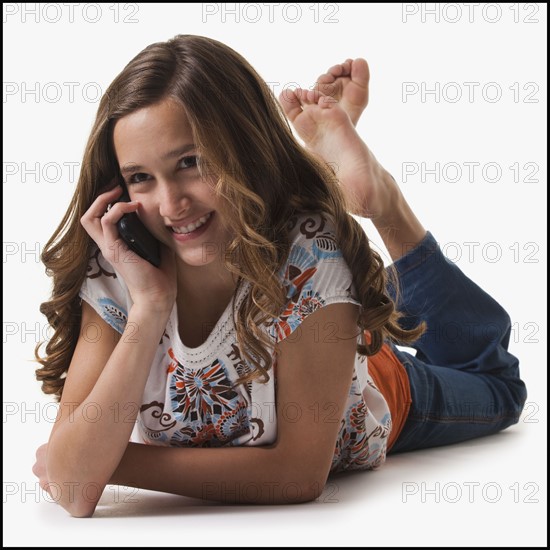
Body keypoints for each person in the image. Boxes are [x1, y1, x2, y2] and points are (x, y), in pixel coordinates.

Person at [32, 35, 527, 517]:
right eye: (141, 177)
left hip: (369, 383)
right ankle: (328, 192)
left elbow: (297, 474)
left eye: (191, 162)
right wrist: (150, 306)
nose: (170, 205)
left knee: (499, 385)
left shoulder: (309, 251)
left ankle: (381, 199)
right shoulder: (120, 264)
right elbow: (76, 495)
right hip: (317, 337)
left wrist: (102, 461)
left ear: (243, 149)